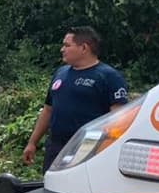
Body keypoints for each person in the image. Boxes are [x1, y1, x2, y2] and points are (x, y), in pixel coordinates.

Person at [23, 26, 128, 172]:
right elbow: (48, 110)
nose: (62, 49)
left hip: (87, 148)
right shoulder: (61, 73)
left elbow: (119, 118)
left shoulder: (108, 77)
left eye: (67, 45)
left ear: (84, 48)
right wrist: (32, 142)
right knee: (52, 183)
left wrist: (105, 149)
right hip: (56, 146)